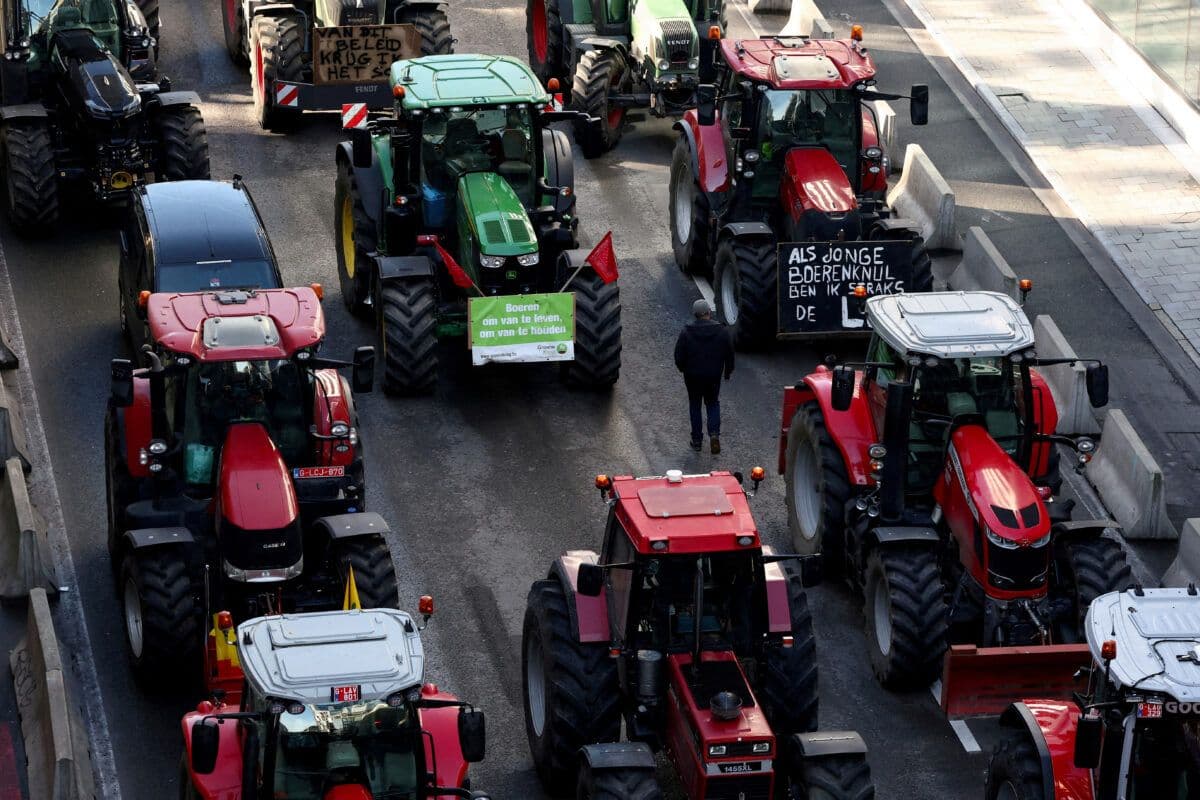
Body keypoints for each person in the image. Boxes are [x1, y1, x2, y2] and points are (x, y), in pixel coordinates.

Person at [674, 299, 734, 454]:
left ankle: (697, 441)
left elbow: (679, 357)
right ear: (709, 312)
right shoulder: (721, 331)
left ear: (695, 314)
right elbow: (729, 355)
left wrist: (683, 369)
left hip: (692, 377)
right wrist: (727, 372)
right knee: (713, 403)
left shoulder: (686, 332)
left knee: (695, 405)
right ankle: (714, 435)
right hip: (713, 376)